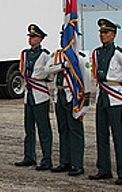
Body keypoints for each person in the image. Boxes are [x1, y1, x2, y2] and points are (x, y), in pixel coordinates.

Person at [89, 18, 122, 185]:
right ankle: (104, 169)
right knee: (101, 135)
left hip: (115, 96)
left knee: (119, 137)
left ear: (114, 35)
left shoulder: (120, 53)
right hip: (102, 97)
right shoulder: (96, 53)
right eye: (101, 33)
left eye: (106, 32)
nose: (102, 35)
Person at [49, 36, 91, 176]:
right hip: (59, 95)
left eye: (66, 36)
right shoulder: (57, 56)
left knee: (75, 131)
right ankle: (64, 161)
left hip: (72, 96)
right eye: (61, 36)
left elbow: (86, 79)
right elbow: (46, 70)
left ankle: (77, 164)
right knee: (63, 129)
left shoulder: (80, 57)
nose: (63, 38)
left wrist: (85, 102)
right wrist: (60, 66)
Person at [15, 24, 54, 171]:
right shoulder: (25, 54)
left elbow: (49, 75)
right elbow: (23, 70)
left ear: (40, 39)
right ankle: (29, 156)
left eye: (34, 37)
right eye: (30, 36)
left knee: (43, 128)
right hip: (29, 94)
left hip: (40, 94)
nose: (30, 39)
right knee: (29, 128)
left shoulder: (45, 55)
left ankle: (47, 158)